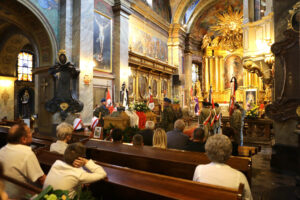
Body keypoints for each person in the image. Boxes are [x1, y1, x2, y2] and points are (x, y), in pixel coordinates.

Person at [193, 134, 252, 200]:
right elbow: (248, 198)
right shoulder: (240, 176)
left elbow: (196, 192)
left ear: (207, 151)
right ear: (229, 152)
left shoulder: (199, 169)